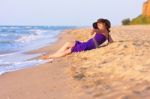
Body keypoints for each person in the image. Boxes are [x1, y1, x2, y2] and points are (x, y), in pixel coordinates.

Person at [41, 18, 113, 59]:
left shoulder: (102, 31)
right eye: (98, 25)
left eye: (100, 25)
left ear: (105, 25)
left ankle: (49, 56)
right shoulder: (107, 33)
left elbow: (92, 32)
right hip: (87, 43)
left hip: (88, 46)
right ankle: (55, 54)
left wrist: (95, 29)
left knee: (69, 50)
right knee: (68, 43)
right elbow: (111, 42)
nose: (99, 26)